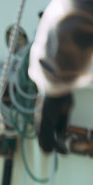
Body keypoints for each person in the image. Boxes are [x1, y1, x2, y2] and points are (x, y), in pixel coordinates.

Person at [28, 0, 93, 153]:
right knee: (57, 106)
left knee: (61, 104)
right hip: (56, 70)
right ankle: (50, 138)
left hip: (57, 71)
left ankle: (54, 136)